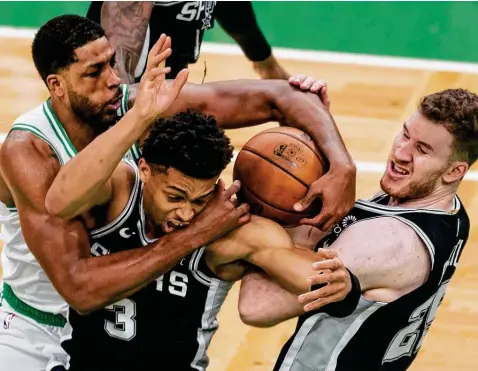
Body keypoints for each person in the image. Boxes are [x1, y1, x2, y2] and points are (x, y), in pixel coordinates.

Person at [0, 15, 355, 371]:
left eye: (111, 64)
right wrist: (195, 233)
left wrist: (341, 165)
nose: (113, 81)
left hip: (113, 320)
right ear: (57, 85)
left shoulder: (136, 103)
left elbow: (280, 95)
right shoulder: (29, 152)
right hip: (37, 327)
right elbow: (79, 287)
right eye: (93, 73)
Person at [47, 109, 352, 371]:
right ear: (144, 170)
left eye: (200, 200)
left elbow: (315, 279)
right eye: (175, 196)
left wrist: (342, 285)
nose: (185, 212)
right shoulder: (115, 194)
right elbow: (59, 197)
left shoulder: (231, 232)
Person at [238, 88, 476, 370]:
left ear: (454, 171)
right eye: (405, 134)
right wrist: (310, 139)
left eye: (422, 150)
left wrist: (261, 207)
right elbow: (332, 232)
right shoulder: (448, 211)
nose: (401, 152)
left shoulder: (389, 241)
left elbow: (256, 307)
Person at [86, 1, 290, 83]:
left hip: (169, 84)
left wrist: (267, 66)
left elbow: (237, 18)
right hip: (123, 93)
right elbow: (109, 87)